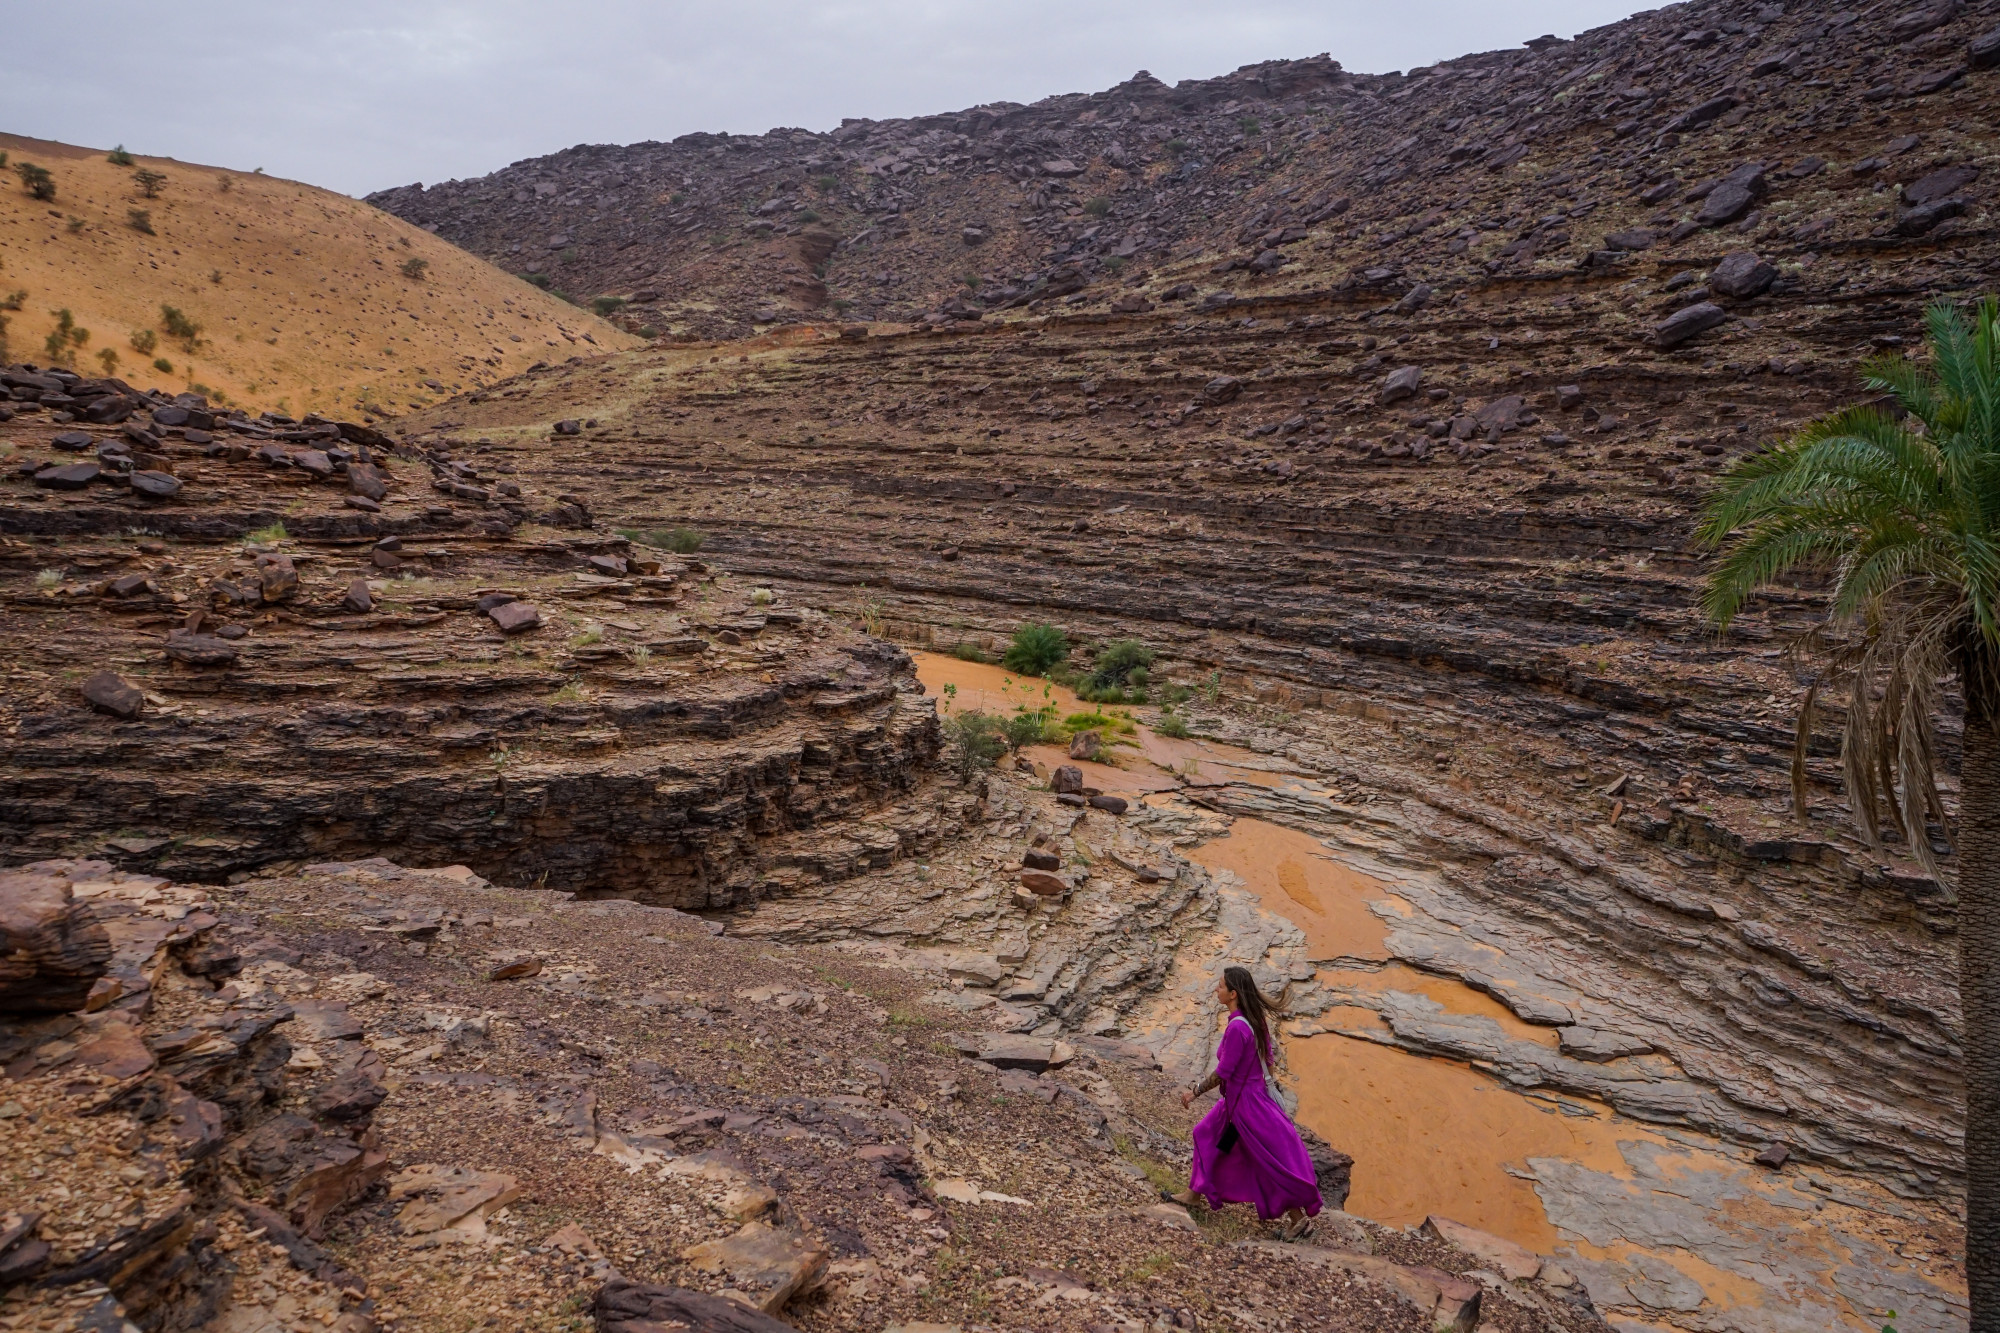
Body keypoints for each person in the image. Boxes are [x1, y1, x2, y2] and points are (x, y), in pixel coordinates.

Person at [1175, 965, 1323, 1240]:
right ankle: (1194, 1193)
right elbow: (1267, 1060)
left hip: (1244, 1111)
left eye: (1220, 986)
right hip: (1244, 1105)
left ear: (1232, 994)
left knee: (1262, 1159)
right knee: (1219, 1141)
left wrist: (1194, 1092)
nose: (1215, 990)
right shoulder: (1255, 1021)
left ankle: (1298, 1220)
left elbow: (1223, 1072)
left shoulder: (1236, 1028)